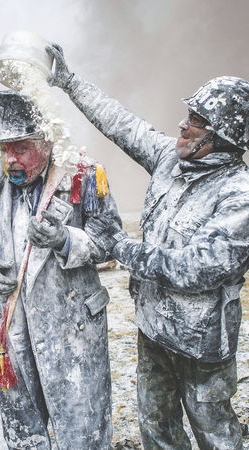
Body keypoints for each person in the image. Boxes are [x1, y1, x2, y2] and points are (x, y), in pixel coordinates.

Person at [45, 43, 249, 449]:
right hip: (153, 331)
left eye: (195, 120)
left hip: (202, 347)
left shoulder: (238, 194)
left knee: (216, 435)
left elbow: (195, 269)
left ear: (220, 137)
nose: (182, 124)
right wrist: (68, 82)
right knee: (157, 431)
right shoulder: (171, 160)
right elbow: (121, 123)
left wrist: (123, 246)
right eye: (188, 115)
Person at [0, 89, 121, 449]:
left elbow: (109, 240)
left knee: (83, 430)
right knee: (23, 432)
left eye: (20, 148)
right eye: (4, 149)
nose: (9, 159)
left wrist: (65, 240)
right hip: (12, 334)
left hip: (71, 329)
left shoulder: (83, 173)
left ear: (46, 142)